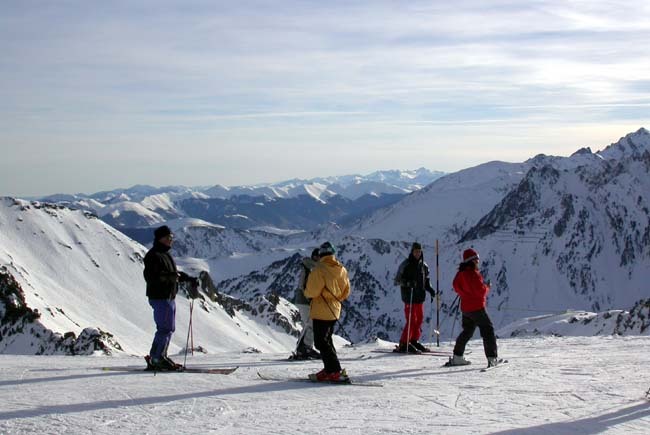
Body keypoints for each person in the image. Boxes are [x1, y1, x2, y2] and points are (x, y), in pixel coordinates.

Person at [143, 225, 198, 371]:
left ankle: (158, 356)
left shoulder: (165, 254)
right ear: (160, 238)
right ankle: (158, 358)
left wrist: (186, 278)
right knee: (165, 328)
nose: (171, 240)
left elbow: (172, 274)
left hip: (168, 296)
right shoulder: (153, 256)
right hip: (160, 297)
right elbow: (151, 277)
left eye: (171, 237)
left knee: (167, 328)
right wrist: (172, 277)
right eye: (168, 237)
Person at [304, 241, 351, 381]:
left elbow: (311, 292)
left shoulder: (319, 270)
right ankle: (329, 369)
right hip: (334, 309)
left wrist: (309, 293)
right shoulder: (341, 269)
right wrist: (335, 298)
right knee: (327, 340)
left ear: (321, 255)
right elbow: (346, 290)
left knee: (320, 342)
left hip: (320, 310)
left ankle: (335, 371)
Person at [448, 248, 499, 367]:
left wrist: (464, 293)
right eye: (477, 259)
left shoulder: (461, 273)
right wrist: (487, 287)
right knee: (488, 330)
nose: (478, 261)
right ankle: (492, 358)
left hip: (465, 308)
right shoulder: (474, 274)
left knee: (467, 331)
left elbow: (455, 285)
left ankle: (457, 356)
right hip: (477, 308)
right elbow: (480, 291)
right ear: (472, 260)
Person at [394, 242, 436, 353]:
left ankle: (413, 340)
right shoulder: (406, 265)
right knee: (411, 320)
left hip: (419, 297)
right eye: (415, 251)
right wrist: (408, 283)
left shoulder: (424, 266)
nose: (417, 253)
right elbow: (397, 280)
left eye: (419, 251)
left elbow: (426, 280)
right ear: (412, 252)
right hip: (409, 297)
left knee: (419, 320)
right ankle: (404, 342)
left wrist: (430, 289)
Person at [290, 248, 321, 360]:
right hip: (305, 300)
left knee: (309, 324)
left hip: (304, 300)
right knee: (311, 323)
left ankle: (303, 348)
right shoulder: (310, 268)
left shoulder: (309, 267)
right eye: (319, 257)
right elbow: (303, 285)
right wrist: (309, 297)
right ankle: (305, 348)